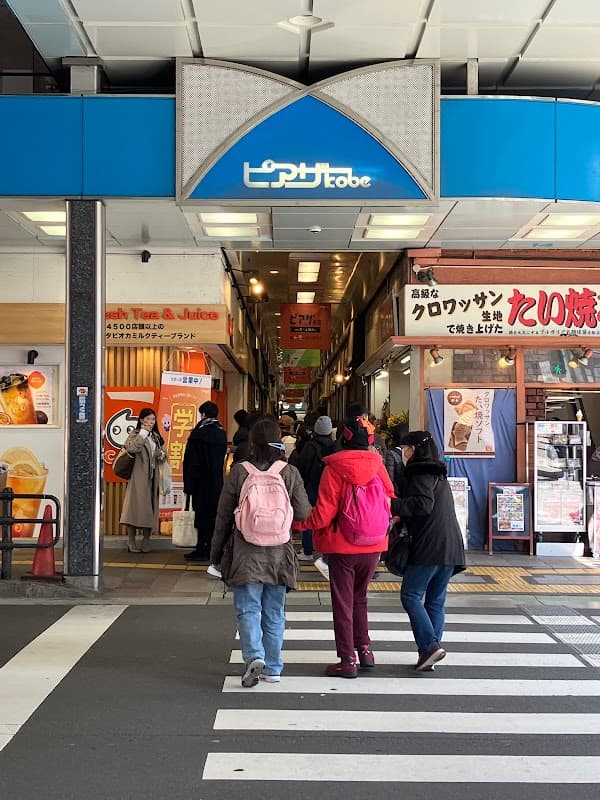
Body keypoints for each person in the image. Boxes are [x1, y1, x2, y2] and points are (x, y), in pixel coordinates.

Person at [210, 416, 312, 686]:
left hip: (245, 554)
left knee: (248, 610)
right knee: (274, 613)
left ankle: (254, 656)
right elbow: (304, 513)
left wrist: (216, 555)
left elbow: (223, 517)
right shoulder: (289, 472)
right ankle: (274, 667)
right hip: (279, 555)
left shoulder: (239, 472)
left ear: (252, 443)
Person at [294, 415, 395, 678]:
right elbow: (389, 500)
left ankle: (347, 660)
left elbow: (323, 514)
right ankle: (365, 650)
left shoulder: (335, 468)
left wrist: (298, 525)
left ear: (342, 440)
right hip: (374, 544)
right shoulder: (378, 465)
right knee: (360, 598)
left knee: (343, 603)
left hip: (342, 547)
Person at [392, 430, 466, 671]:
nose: (403, 453)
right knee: (435, 600)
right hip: (450, 545)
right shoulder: (438, 472)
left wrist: (392, 504)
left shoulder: (420, 471)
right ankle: (429, 653)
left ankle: (429, 647)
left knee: (410, 595)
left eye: (405, 449)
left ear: (414, 449)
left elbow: (423, 504)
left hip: (429, 545)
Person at [182, 400, 227, 562]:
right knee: (213, 515)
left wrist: (189, 483)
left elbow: (192, 461)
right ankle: (213, 548)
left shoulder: (198, 434)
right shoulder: (221, 432)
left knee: (201, 515)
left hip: (200, 482)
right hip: (216, 482)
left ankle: (201, 548)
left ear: (203, 414)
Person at [120, 407, 168, 553]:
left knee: (150, 509)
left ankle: (146, 541)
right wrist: (142, 433)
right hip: (138, 477)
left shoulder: (156, 437)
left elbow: (165, 453)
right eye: (147, 419)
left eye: (153, 419)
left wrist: (162, 455)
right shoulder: (135, 434)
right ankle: (131, 541)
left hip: (153, 477)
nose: (151, 422)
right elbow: (132, 448)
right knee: (134, 509)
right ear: (141, 420)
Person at [295, 415, 335, 562]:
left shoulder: (309, 447)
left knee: (309, 517)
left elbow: (301, 467)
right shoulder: (335, 447)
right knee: (328, 517)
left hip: (311, 487)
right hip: (329, 487)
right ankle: (327, 551)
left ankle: (308, 550)